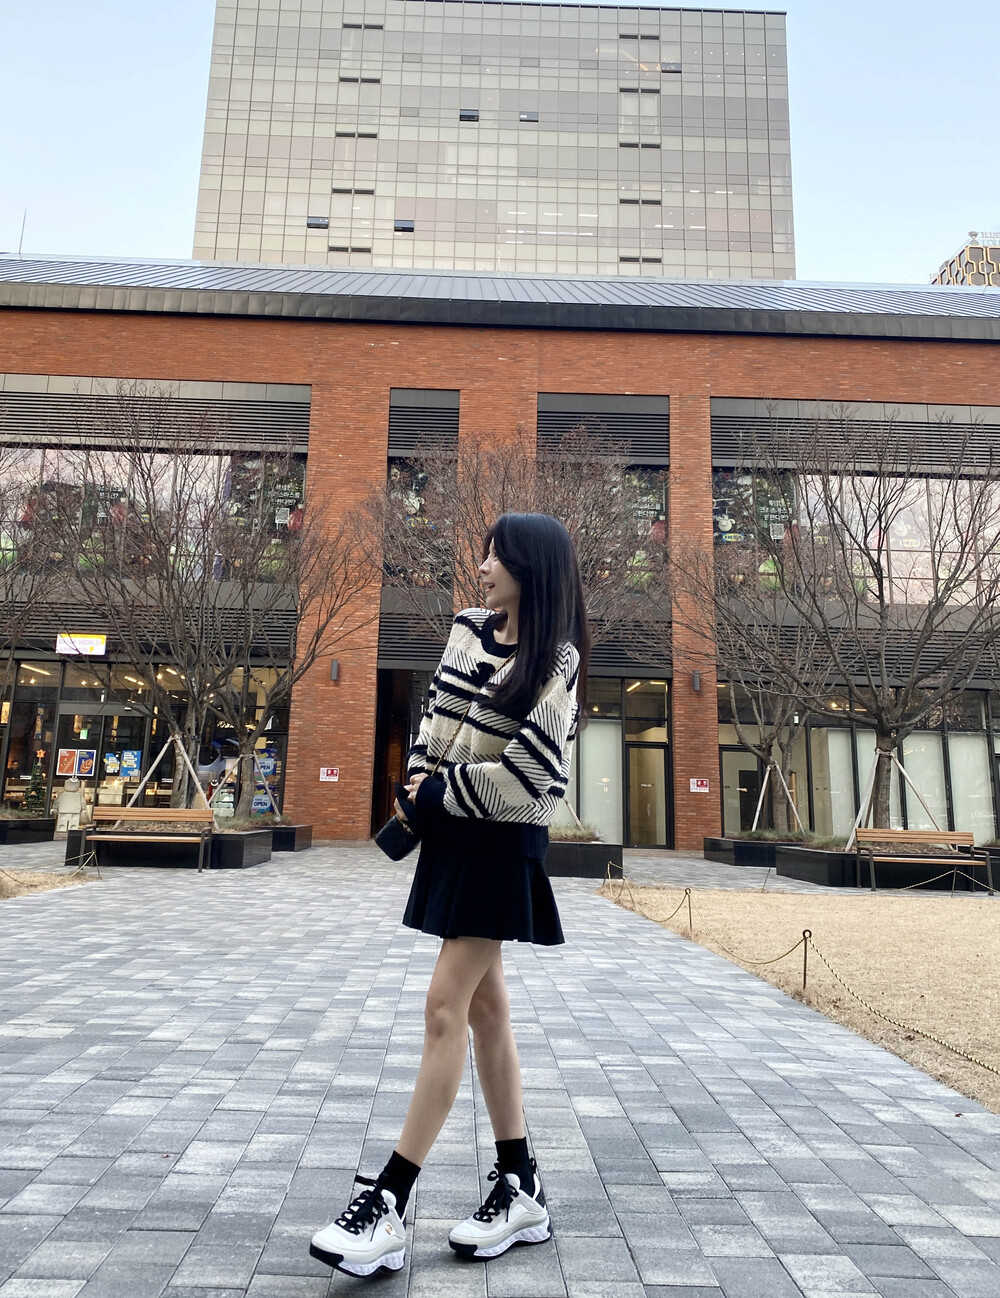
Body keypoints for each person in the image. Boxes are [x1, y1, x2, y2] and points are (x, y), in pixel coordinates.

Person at [310, 512, 590, 1279]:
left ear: (533, 568)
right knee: (486, 1012)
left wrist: (436, 796)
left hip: (499, 847)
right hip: (455, 840)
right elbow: (432, 727)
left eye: (498, 555)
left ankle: (389, 1201)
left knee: (444, 1009)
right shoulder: (468, 630)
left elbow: (534, 781)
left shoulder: (556, 660)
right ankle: (521, 1185)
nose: (484, 565)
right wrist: (415, 790)